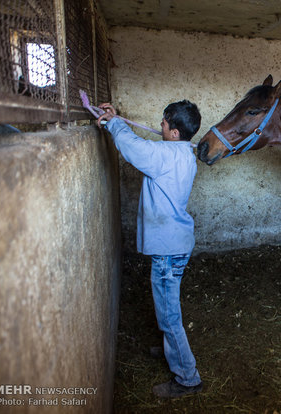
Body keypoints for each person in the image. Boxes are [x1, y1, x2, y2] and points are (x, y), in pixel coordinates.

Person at [97, 100, 203, 398]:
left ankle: (187, 377)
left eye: (165, 122)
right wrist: (117, 121)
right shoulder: (182, 153)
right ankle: (173, 351)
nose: (160, 124)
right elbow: (142, 144)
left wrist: (113, 123)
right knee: (168, 310)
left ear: (174, 132)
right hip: (175, 244)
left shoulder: (165, 155)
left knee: (170, 317)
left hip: (169, 250)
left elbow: (134, 148)